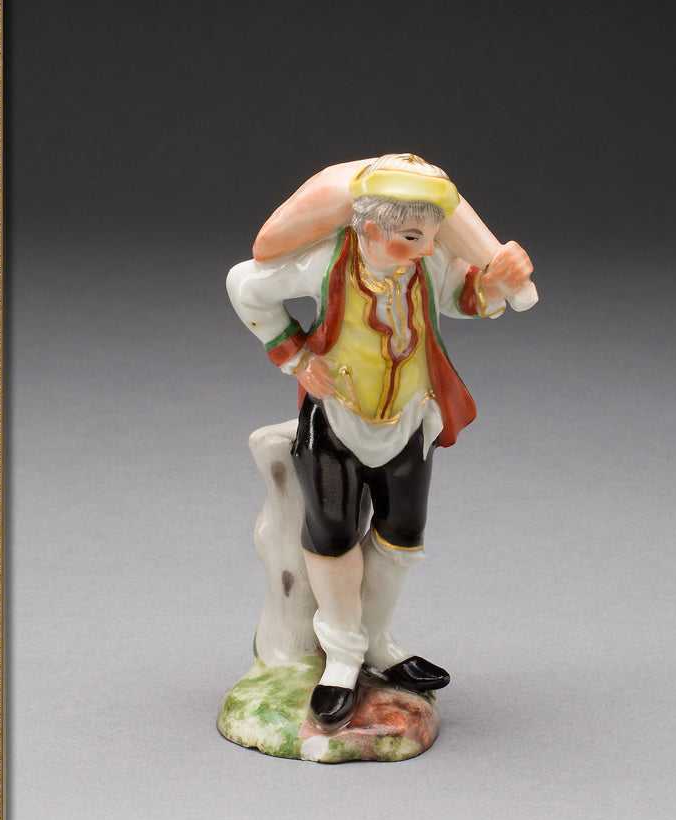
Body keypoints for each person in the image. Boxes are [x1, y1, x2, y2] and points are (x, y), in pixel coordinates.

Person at [227, 154, 534, 726]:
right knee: (333, 536)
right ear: (369, 227)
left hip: (408, 419)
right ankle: (342, 658)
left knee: (401, 537)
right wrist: (297, 358)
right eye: (412, 236)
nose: (427, 247)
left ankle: (377, 641)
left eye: (433, 236)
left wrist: (495, 283)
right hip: (337, 417)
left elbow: (464, 297)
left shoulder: (426, 262)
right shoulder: (324, 262)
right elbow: (246, 284)